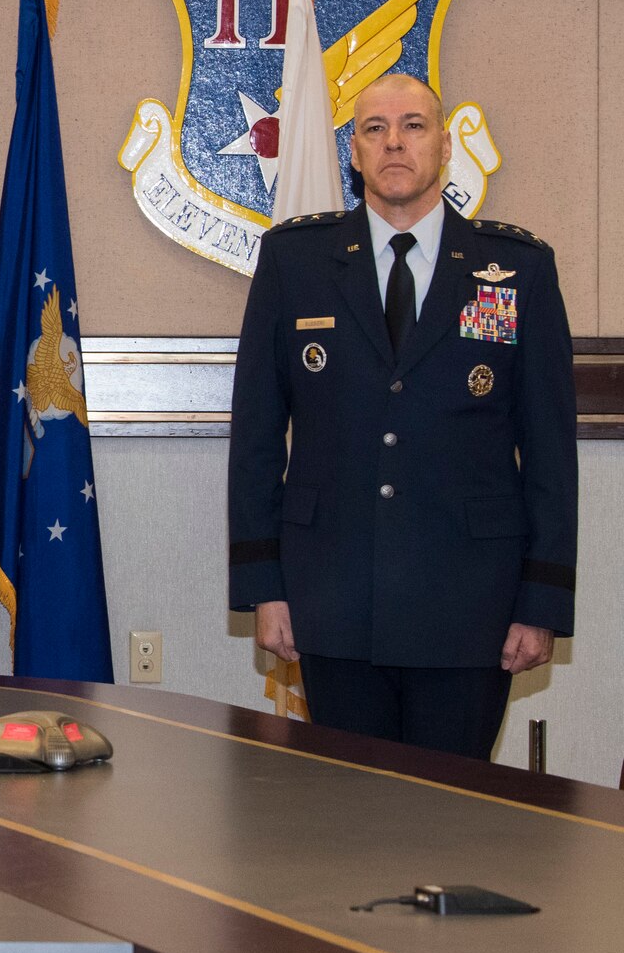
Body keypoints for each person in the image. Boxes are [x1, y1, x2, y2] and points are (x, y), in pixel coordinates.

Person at [228, 71, 575, 759]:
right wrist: (264, 586)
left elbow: (550, 453)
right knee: (353, 821)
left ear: (444, 147)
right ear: (352, 151)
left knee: (454, 816)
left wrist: (542, 601)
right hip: (332, 601)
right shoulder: (296, 263)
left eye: (413, 126)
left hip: (470, 606)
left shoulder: (515, 270)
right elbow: (258, 439)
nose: (395, 142)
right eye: (374, 128)